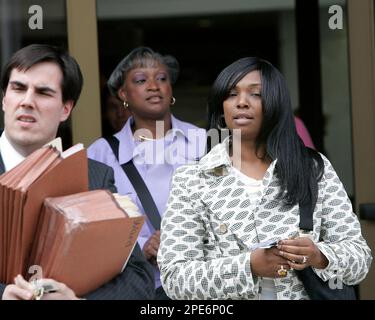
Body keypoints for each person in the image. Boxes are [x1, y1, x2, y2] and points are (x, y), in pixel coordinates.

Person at [158, 57, 372, 300]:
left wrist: (318, 255)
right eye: (231, 94)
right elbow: (175, 278)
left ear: (275, 104)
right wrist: (249, 266)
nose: (241, 102)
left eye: (256, 94)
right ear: (221, 108)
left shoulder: (312, 168)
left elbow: (359, 259)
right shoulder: (191, 179)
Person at [0, 44, 154, 300]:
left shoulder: (94, 176)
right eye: (18, 88)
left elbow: (139, 278)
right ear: (4, 99)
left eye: (43, 92)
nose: (27, 101)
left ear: (66, 109)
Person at [88, 47, 206, 299]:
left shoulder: (202, 142)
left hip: (201, 286)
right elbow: (91, 230)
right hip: (140, 288)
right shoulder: (101, 154)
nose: (154, 86)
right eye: (141, 80)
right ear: (123, 94)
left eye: (162, 78)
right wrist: (142, 246)